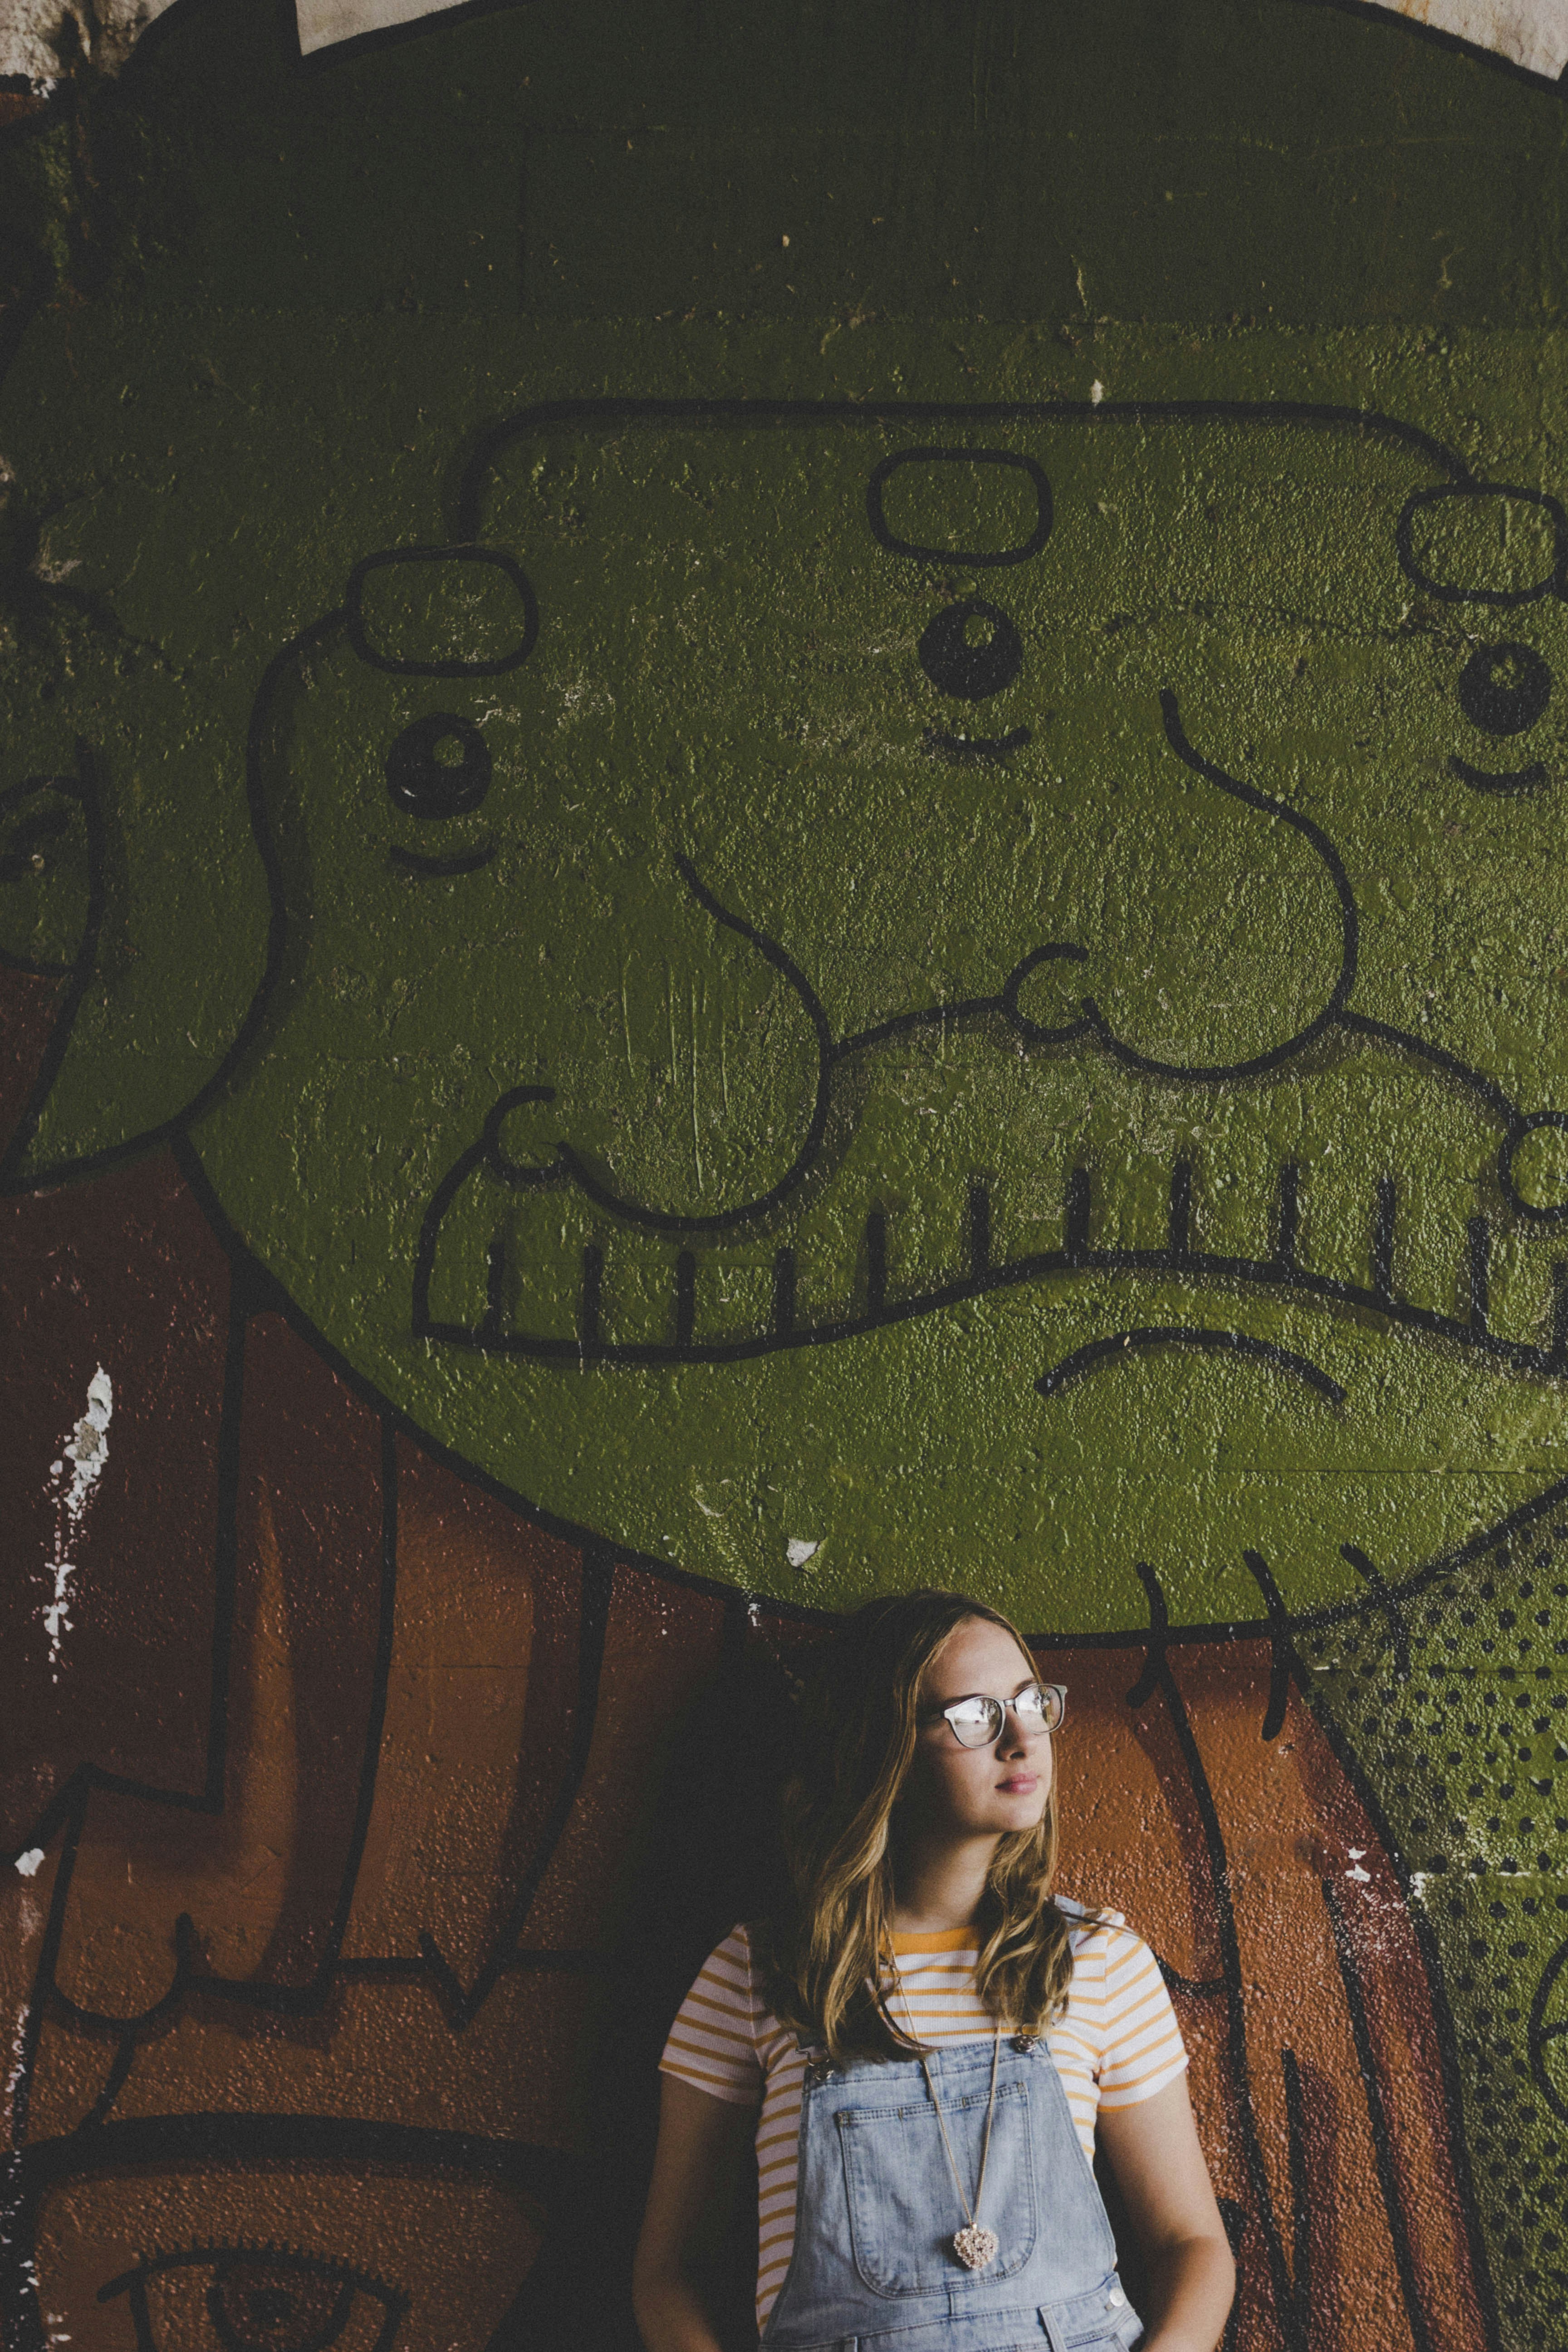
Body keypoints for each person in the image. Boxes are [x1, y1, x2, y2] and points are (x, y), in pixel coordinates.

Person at [633, 1588, 1235, 2352]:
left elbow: (1194, 2246)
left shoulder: (1098, 1961)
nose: (1022, 1738)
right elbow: (668, 2273)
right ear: (883, 1744)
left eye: (1030, 1701)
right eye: (974, 1716)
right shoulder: (758, 1975)